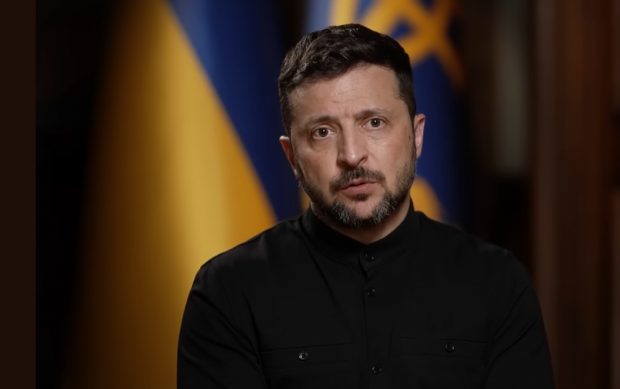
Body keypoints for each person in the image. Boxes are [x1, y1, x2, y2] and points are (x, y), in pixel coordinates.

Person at [177, 23, 554, 388]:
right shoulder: (229, 290)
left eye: (374, 122)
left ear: (417, 135)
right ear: (292, 157)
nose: (352, 154)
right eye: (322, 132)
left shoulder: (497, 283)